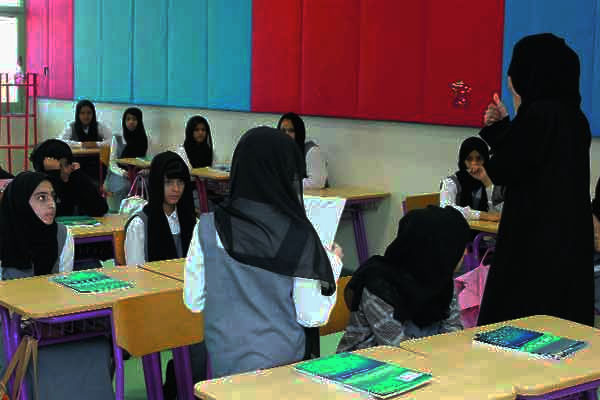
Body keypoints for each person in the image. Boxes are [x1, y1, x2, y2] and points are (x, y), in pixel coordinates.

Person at [183, 127, 343, 378]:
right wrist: (332, 261)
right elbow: (312, 316)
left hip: (224, 367)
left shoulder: (205, 226)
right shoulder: (298, 234)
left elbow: (194, 301)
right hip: (282, 370)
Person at [474, 33, 594, 326]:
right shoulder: (575, 117)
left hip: (533, 237)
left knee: (521, 323)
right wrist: (505, 127)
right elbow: (530, 157)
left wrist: (503, 125)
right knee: (562, 325)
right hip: (569, 235)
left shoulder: (539, 114)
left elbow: (503, 168)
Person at [0, 171, 114, 400]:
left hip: (51, 323)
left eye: (52, 196)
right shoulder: (3, 237)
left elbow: (63, 289)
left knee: (97, 344)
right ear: (20, 201)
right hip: (8, 327)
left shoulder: (62, 235)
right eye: (41, 198)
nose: (51, 204)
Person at [124, 151, 204, 399]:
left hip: (188, 302)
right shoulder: (140, 223)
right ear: (157, 182)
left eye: (180, 182)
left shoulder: (191, 220)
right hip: (154, 306)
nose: (175, 189)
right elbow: (135, 280)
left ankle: (182, 382)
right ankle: (176, 381)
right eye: (169, 182)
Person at [337, 206, 470, 352]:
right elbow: (397, 348)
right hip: (365, 361)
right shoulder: (379, 286)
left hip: (423, 358)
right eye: (458, 246)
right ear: (439, 250)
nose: (465, 253)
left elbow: (453, 333)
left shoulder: (441, 278)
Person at [30, 139, 108, 217]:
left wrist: (79, 175)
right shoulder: (35, 186)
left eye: (67, 164)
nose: (65, 170)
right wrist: (54, 174)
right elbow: (53, 212)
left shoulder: (74, 178)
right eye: (59, 167)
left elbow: (100, 209)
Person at [440, 137, 503, 221]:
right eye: (469, 159)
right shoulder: (450, 182)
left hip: (486, 229)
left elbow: (502, 212)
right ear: (463, 161)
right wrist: (480, 215)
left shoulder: (494, 181)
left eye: (479, 159)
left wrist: (486, 182)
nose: (474, 163)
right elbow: (446, 208)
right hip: (458, 227)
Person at [104, 107, 152, 212]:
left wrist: (146, 170)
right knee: (126, 185)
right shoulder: (117, 138)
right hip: (118, 173)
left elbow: (148, 161)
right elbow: (112, 163)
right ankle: (121, 213)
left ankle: (143, 214)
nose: (131, 122)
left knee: (152, 182)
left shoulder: (145, 138)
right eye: (128, 119)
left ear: (139, 121)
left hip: (140, 173)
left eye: (134, 119)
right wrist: (123, 173)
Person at [277, 112, 328, 189]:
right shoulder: (278, 151)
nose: (286, 134)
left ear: (299, 132)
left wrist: (286, 185)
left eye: (291, 130)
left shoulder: (312, 151)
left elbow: (317, 182)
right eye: (283, 130)